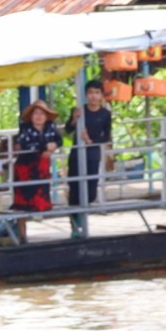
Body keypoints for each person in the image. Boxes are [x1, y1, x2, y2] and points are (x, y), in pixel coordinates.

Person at [68, 86, 113, 239]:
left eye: (96, 93)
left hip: (92, 153)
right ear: (86, 95)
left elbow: (106, 136)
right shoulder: (79, 110)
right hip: (76, 153)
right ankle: (75, 225)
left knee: (90, 191)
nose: (93, 96)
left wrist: (90, 141)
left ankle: (82, 218)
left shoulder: (105, 114)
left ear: (101, 95)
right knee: (74, 190)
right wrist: (74, 119)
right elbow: (67, 130)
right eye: (90, 93)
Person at [13, 98, 61, 214]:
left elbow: (59, 140)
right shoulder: (25, 128)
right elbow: (25, 144)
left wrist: (54, 145)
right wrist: (46, 147)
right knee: (26, 195)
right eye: (36, 113)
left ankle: (42, 206)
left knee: (42, 187)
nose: (39, 116)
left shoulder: (50, 127)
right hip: (26, 165)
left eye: (42, 113)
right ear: (31, 116)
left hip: (42, 165)